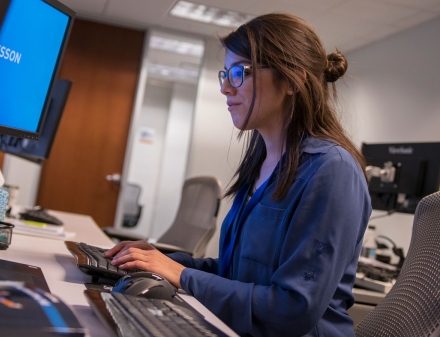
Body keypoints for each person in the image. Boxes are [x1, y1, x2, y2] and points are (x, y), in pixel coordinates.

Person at [105, 13, 372, 337]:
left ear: (292, 80)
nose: (225, 88)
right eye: (224, 74)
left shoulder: (334, 171)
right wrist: (159, 261)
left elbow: (293, 307)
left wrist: (180, 274)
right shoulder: (260, 162)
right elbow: (238, 274)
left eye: (238, 72)